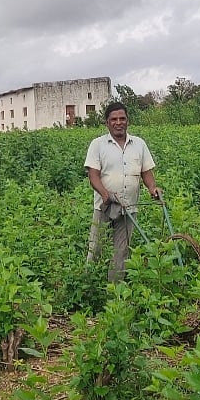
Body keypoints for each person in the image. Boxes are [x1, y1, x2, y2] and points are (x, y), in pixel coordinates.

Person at [84, 102, 162, 282]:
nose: (118, 122)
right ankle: (88, 285)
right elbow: (93, 175)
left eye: (122, 119)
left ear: (128, 121)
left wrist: (152, 188)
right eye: (114, 119)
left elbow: (146, 171)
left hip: (129, 208)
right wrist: (105, 194)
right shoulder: (98, 145)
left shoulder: (139, 144)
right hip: (104, 207)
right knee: (96, 248)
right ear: (107, 122)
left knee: (122, 251)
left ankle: (115, 293)